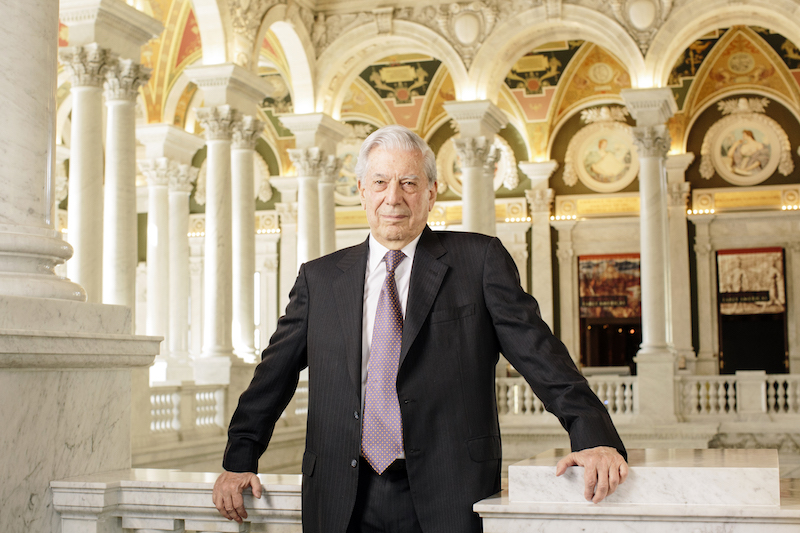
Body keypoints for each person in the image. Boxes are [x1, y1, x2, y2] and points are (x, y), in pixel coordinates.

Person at [213, 125, 628, 533]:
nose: (393, 197)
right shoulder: (319, 280)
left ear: (431, 192)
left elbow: (540, 355)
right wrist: (239, 458)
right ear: (362, 190)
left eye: (408, 182)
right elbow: (274, 375)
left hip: (449, 489)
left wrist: (591, 434)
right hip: (341, 495)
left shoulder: (478, 261)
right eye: (380, 182)